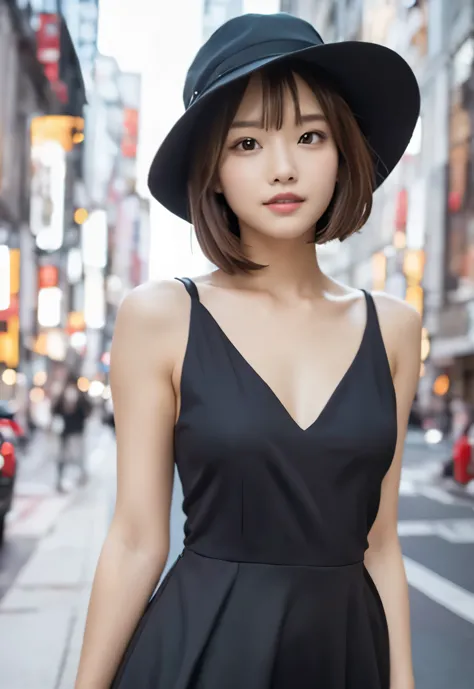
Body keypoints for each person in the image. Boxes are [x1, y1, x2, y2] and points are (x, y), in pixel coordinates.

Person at [74, 13, 421, 689]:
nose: (284, 167)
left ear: (343, 150)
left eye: (310, 135)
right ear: (213, 169)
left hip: (346, 655)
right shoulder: (161, 316)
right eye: (248, 143)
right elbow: (136, 539)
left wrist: (403, 680)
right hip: (201, 652)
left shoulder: (395, 327)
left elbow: (380, 542)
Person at [52, 376, 91, 491]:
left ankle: (82, 475)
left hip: (77, 431)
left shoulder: (81, 398)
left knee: (78, 456)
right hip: (65, 432)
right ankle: (60, 480)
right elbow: (54, 410)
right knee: (62, 457)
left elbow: (87, 411)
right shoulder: (61, 398)